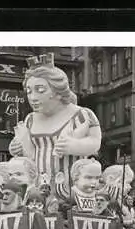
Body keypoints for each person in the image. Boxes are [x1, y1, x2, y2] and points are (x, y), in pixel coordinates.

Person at [8, 53, 102, 202]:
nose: (32, 97)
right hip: (38, 190)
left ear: (58, 92)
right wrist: (16, 148)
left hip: (71, 189)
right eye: (29, 91)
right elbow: (28, 153)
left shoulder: (81, 115)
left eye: (40, 90)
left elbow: (95, 142)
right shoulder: (30, 119)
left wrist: (75, 145)